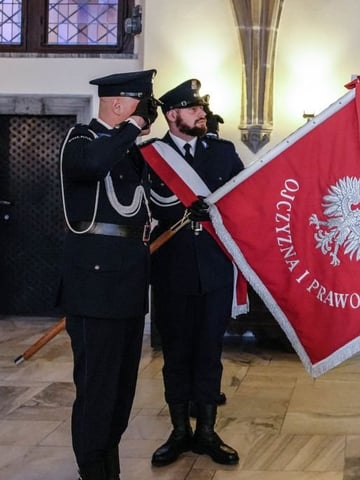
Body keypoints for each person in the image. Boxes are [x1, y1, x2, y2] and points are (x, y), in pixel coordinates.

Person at [58, 69, 159, 480]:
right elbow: (93, 165)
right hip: (95, 286)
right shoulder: (82, 139)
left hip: (130, 283)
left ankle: (107, 465)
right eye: (141, 105)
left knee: (121, 391)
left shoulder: (130, 150)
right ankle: (92, 469)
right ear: (118, 104)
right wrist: (133, 128)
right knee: (97, 388)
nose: (146, 114)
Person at [148, 79, 244, 467]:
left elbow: (243, 200)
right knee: (175, 353)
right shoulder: (150, 155)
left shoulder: (223, 153)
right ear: (172, 116)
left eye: (202, 108)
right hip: (172, 270)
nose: (201, 113)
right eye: (192, 109)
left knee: (210, 351)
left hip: (215, 269)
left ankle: (206, 431)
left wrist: (218, 213)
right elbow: (143, 207)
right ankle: (179, 432)